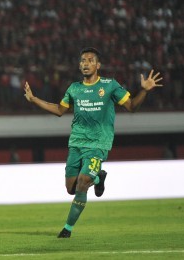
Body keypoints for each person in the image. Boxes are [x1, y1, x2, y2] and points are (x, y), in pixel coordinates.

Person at [24, 47, 163, 238]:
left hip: (98, 143)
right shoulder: (74, 88)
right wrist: (33, 99)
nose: (85, 64)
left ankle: (67, 229)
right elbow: (58, 110)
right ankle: (98, 177)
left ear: (98, 65)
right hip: (76, 143)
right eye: (82, 61)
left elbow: (131, 107)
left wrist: (144, 91)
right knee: (71, 188)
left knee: (82, 183)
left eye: (89, 60)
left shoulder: (109, 85)